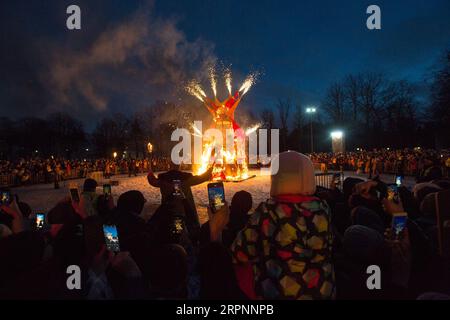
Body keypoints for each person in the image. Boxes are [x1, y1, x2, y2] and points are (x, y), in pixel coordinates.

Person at [231, 151, 335, 299]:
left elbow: (240, 252)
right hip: (321, 289)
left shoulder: (268, 211)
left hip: (280, 291)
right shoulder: (323, 209)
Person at [147, 161, 213, 245]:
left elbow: (152, 181)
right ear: (179, 167)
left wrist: (150, 172)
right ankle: (189, 243)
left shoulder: (162, 180)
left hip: (168, 208)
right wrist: (209, 171)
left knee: (170, 226)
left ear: (169, 166)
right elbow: (201, 178)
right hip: (184, 209)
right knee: (187, 226)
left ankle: (172, 242)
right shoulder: (185, 179)